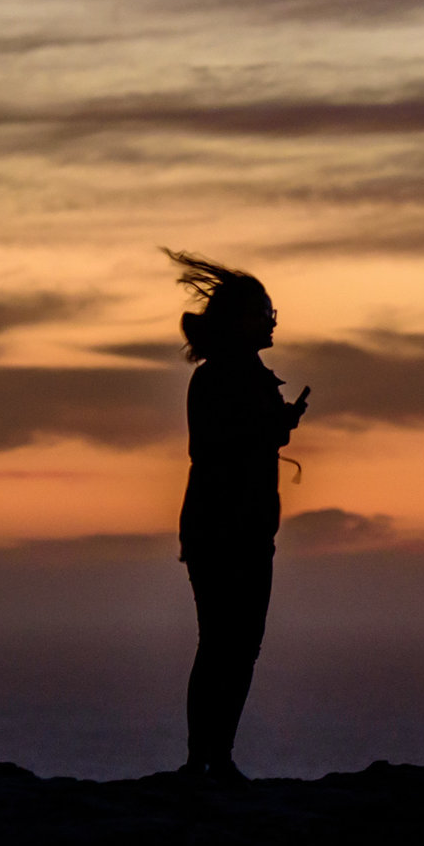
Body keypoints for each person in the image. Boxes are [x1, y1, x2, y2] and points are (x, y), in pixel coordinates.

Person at [167, 250, 308, 781]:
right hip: (228, 530)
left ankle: (208, 757)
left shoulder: (232, 374)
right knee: (229, 645)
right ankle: (209, 759)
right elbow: (217, 447)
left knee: (229, 645)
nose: (271, 320)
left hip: (229, 528)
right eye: (263, 311)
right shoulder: (226, 377)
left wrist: (275, 425)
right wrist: (276, 428)